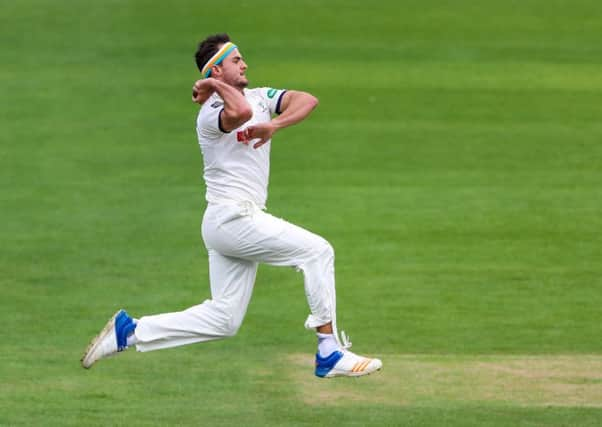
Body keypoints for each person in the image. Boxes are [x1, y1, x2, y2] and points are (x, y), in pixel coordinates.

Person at [81, 33, 382, 378]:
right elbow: (238, 113)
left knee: (224, 319)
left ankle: (130, 331)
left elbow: (307, 100)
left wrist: (275, 123)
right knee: (318, 251)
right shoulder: (210, 112)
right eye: (236, 60)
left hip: (231, 223)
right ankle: (328, 350)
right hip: (232, 217)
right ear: (217, 72)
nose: (245, 64)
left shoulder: (260, 97)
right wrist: (212, 86)